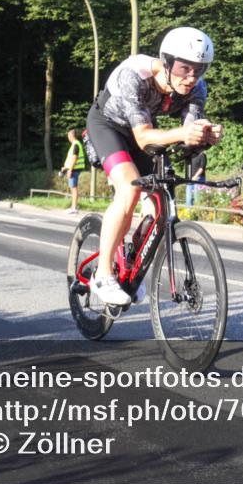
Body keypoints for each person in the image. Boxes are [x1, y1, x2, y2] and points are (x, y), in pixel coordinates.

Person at [85, 27, 223, 306]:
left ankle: (130, 264)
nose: (191, 77)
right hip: (108, 126)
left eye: (200, 69)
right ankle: (102, 273)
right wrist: (185, 134)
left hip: (144, 130)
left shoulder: (197, 88)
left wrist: (204, 136)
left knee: (160, 201)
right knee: (129, 189)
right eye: (185, 68)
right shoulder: (134, 75)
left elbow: (187, 134)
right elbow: (144, 137)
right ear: (167, 62)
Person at [60, 129, 87, 214]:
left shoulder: (75, 145)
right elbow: (71, 159)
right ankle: (73, 207)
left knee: (74, 188)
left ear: (71, 136)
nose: (68, 137)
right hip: (73, 168)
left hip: (74, 169)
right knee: (73, 188)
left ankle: (74, 208)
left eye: (68, 136)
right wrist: (65, 168)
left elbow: (75, 158)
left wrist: (70, 170)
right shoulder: (75, 144)